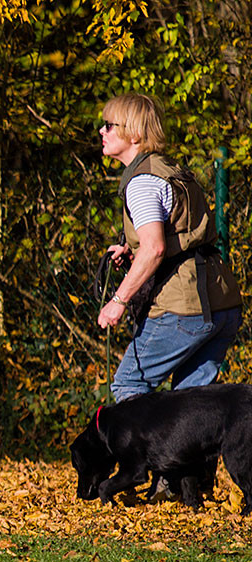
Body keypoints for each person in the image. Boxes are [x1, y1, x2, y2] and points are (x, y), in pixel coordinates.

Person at [97, 93, 242, 405]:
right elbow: (182, 235)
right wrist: (131, 250)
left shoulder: (142, 182)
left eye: (109, 125)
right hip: (222, 301)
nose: (102, 131)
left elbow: (154, 248)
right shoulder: (169, 169)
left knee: (128, 385)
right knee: (193, 407)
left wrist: (118, 301)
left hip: (184, 308)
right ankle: (187, 455)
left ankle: (148, 456)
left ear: (133, 134)